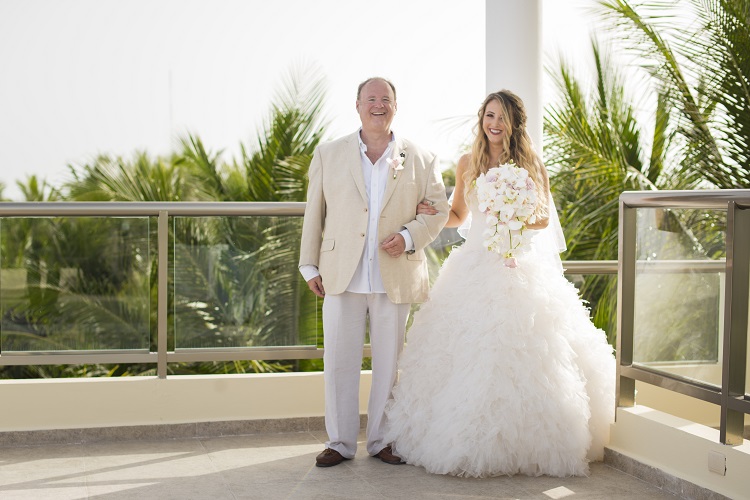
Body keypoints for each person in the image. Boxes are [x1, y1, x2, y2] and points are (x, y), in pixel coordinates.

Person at [383, 90, 616, 478]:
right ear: (482, 118)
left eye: (502, 117)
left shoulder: (529, 161)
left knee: (521, 346)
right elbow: (459, 214)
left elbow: (542, 218)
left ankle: (525, 442)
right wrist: (427, 212)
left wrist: (512, 216)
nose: (494, 123)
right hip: (474, 263)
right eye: (489, 115)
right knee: (466, 350)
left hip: (516, 263)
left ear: (513, 123)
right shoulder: (466, 163)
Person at [299, 77, 450, 467]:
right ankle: (339, 442)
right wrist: (308, 264)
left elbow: (438, 211)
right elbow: (314, 213)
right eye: (371, 99)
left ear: (395, 107)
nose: (378, 105)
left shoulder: (421, 158)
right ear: (357, 105)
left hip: (394, 275)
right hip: (339, 274)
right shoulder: (327, 154)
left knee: (389, 363)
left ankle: (382, 440)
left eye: (386, 99)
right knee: (339, 362)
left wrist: (409, 235)